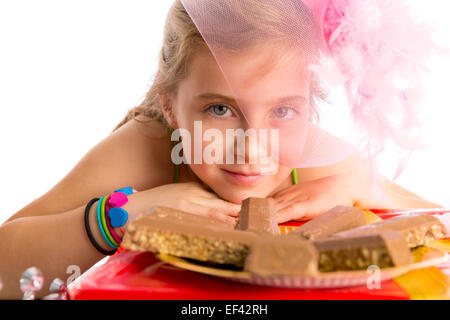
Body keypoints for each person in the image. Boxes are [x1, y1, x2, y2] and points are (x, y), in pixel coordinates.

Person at [0, 0, 442, 299]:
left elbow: (439, 229)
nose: (252, 148)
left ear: (310, 105)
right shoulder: (149, 150)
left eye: (284, 112)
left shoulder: (318, 164)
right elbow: (6, 269)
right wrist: (118, 216)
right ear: (170, 107)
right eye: (219, 108)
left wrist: (362, 186)